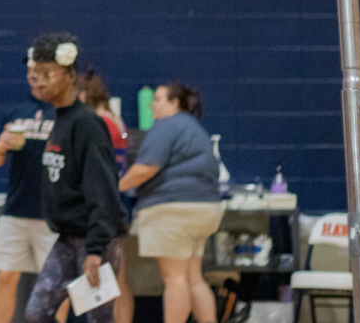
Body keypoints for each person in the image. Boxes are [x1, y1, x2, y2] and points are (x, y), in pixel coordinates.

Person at [23, 34, 124, 323]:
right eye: (33, 74)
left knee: (98, 319)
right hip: (68, 238)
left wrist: (95, 249)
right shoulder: (61, 121)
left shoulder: (87, 125)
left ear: (70, 76)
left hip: (96, 240)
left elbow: (103, 191)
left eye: (46, 73)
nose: (38, 80)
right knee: (36, 314)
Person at [118, 83, 222, 323]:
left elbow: (146, 168)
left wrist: (114, 186)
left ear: (174, 104)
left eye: (158, 99)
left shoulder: (165, 126)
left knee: (175, 279)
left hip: (174, 210)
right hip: (207, 209)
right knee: (194, 278)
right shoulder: (194, 128)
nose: (152, 105)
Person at [0, 48, 56, 323]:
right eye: (30, 71)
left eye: (39, 71)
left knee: (53, 283)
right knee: (6, 276)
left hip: (52, 213)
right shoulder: (15, 112)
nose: (34, 76)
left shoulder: (64, 113)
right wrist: (1, 146)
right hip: (15, 210)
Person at [77, 70, 133, 323]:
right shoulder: (115, 120)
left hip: (100, 209)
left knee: (101, 278)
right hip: (118, 206)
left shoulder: (95, 123)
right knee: (117, 279)